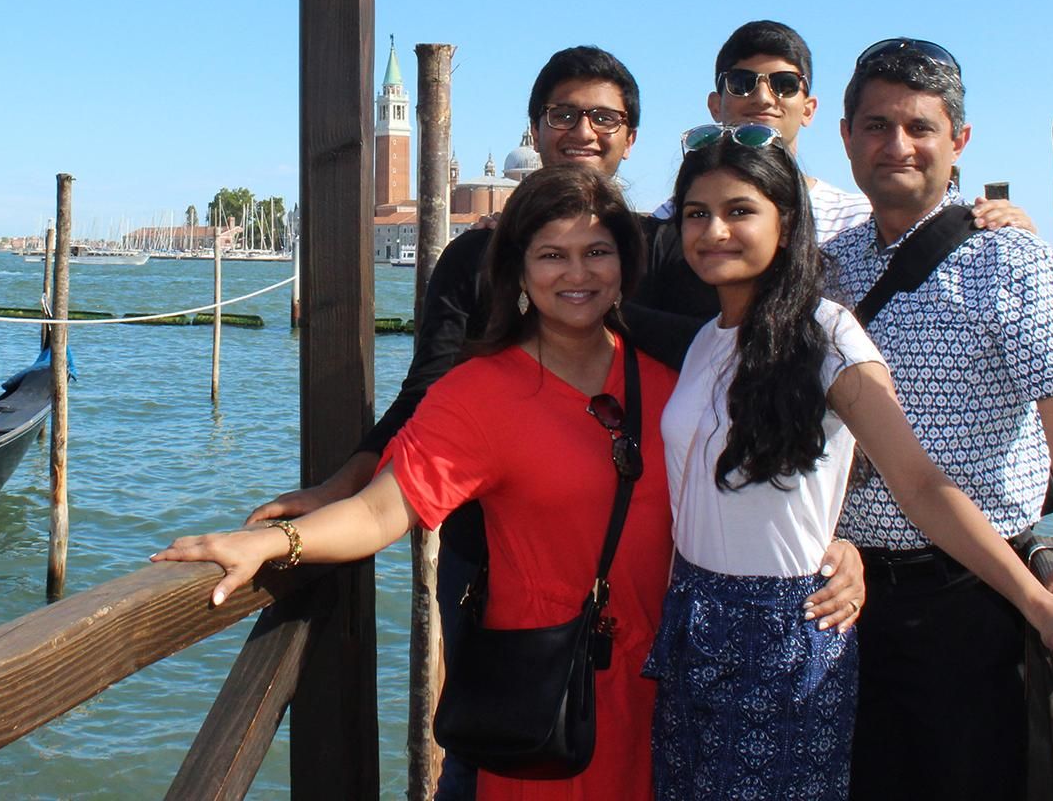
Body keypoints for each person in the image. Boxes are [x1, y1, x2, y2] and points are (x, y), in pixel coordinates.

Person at [246, 46, 865, 797]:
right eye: (564, 114)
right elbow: (419, 415)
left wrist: (829, 535)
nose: (578, 273)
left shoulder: (681, 270)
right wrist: (318, 507)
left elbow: (765, 410)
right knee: (496, 751)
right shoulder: (480, 327)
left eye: (596, 254)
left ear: (631, 139)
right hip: (512, 595)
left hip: (667, 642)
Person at [644, 128, 1053, 800]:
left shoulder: (828, 334)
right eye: (697, 213)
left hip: (780, 632)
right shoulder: (704, 343)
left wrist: (1037, 602)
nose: (714, 230)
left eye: (739, 210)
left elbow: (920, 483)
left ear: (786, 221)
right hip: (694, 618)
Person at [162, 164, 683, 799]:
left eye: (596, 252)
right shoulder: (480, 394)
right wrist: (274, 544)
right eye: (552, 255)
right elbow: (382, 512)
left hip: (675, 691)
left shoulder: (673, 381)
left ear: (624, 263)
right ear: (519, 271)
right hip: (553, 695)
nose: (577, 274)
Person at [826, 38, 1053, 800]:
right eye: (875, 126)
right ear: (846, 137)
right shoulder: (828, 264)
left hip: (968, 597)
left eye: (919, 127)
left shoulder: (1011, 261)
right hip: (838, 597)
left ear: (959, 142)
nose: (897, 145)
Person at [639, 20, 1029, 319]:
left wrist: (1002, 228)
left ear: (809, 108)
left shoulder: (859, 220)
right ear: (714, 104)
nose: (762, 96)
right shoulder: (675, 221)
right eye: (741, 83)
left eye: (785, 84)